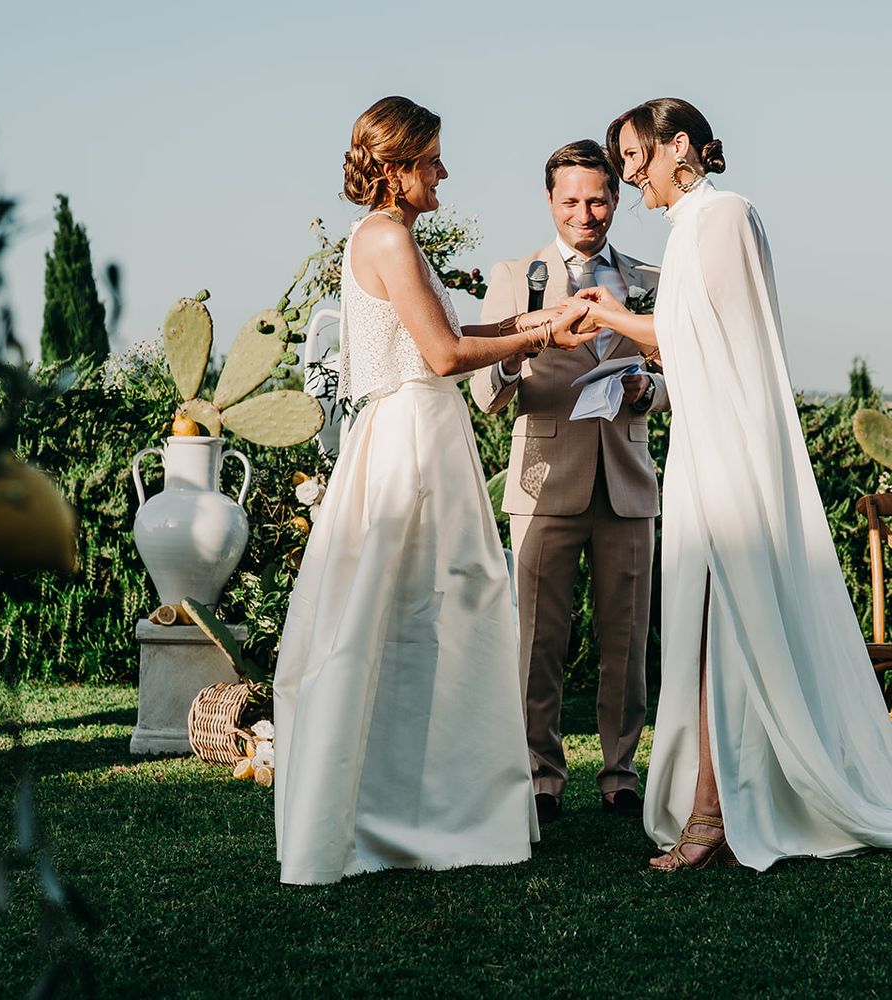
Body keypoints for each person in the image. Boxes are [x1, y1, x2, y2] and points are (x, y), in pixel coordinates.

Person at [272, 96, 597, 885]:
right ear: (395, 167)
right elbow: (446, 356)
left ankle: (433, 806)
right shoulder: (385, 238)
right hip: (411, 445)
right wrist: (547, 334)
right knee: (421, 617)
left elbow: (454, 338)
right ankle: (410, 814)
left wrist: (537, 318)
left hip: (420, 432)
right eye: (431, 160)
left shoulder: (392, 237)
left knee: (434, 619)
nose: (443, 172)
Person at [576, 97, 892, 871]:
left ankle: (714, 813)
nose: (628, 173)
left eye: (635, 157)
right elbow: (691, 344)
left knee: (725, 616)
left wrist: (616, 315)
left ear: (678, 146)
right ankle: (717, 801)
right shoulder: (695, 228)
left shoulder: (724, 218)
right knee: (713, 620)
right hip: (703, 447)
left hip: (729, 453)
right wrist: (630, 331)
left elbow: (712, 341)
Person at [470, 139, 668, 823]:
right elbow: (485, 393)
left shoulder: (649, 275)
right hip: (543, 478)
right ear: (549, 201)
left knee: (628, 640)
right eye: (572, 200)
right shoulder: (514, 274)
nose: (587, 213)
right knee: (539, 643)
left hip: (628, 480)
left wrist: (648, 389)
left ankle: (620, 774)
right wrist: (525, 345)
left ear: (616, 197)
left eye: (600, 198)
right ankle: (540, 777)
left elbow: (678, 370)